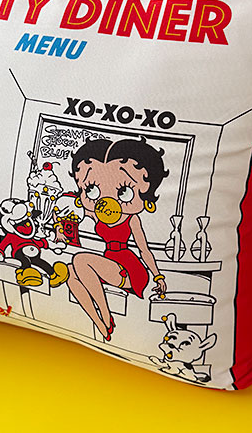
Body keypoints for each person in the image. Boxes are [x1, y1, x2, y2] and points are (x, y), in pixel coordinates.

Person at [56, 136, 168, 340]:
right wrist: (59, 229)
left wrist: (158, 276)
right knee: (70, 272)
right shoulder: (98, 212)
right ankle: (99, 322)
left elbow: (144, 250)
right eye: (91, 189)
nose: (106, 198)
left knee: (80, 260)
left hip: (129, 269)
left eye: (124, 191)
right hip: (109, 265)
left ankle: (105, 314)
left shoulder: (131, 219)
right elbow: (66, 213)